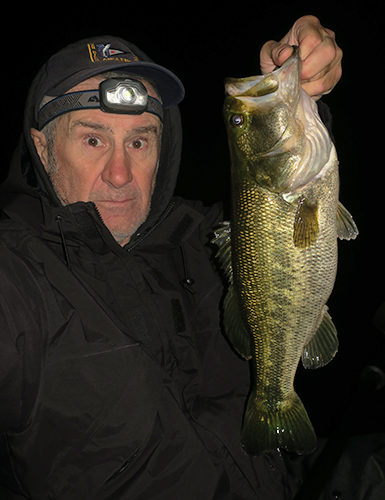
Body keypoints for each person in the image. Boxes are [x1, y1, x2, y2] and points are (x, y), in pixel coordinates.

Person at [0, 15, 342, 499]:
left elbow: (281, 212)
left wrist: (301, 100)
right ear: (42, 146)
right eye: (93, 139)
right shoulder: (14, 276)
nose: (119, 173)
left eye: (139, 142)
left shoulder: (203, 239)